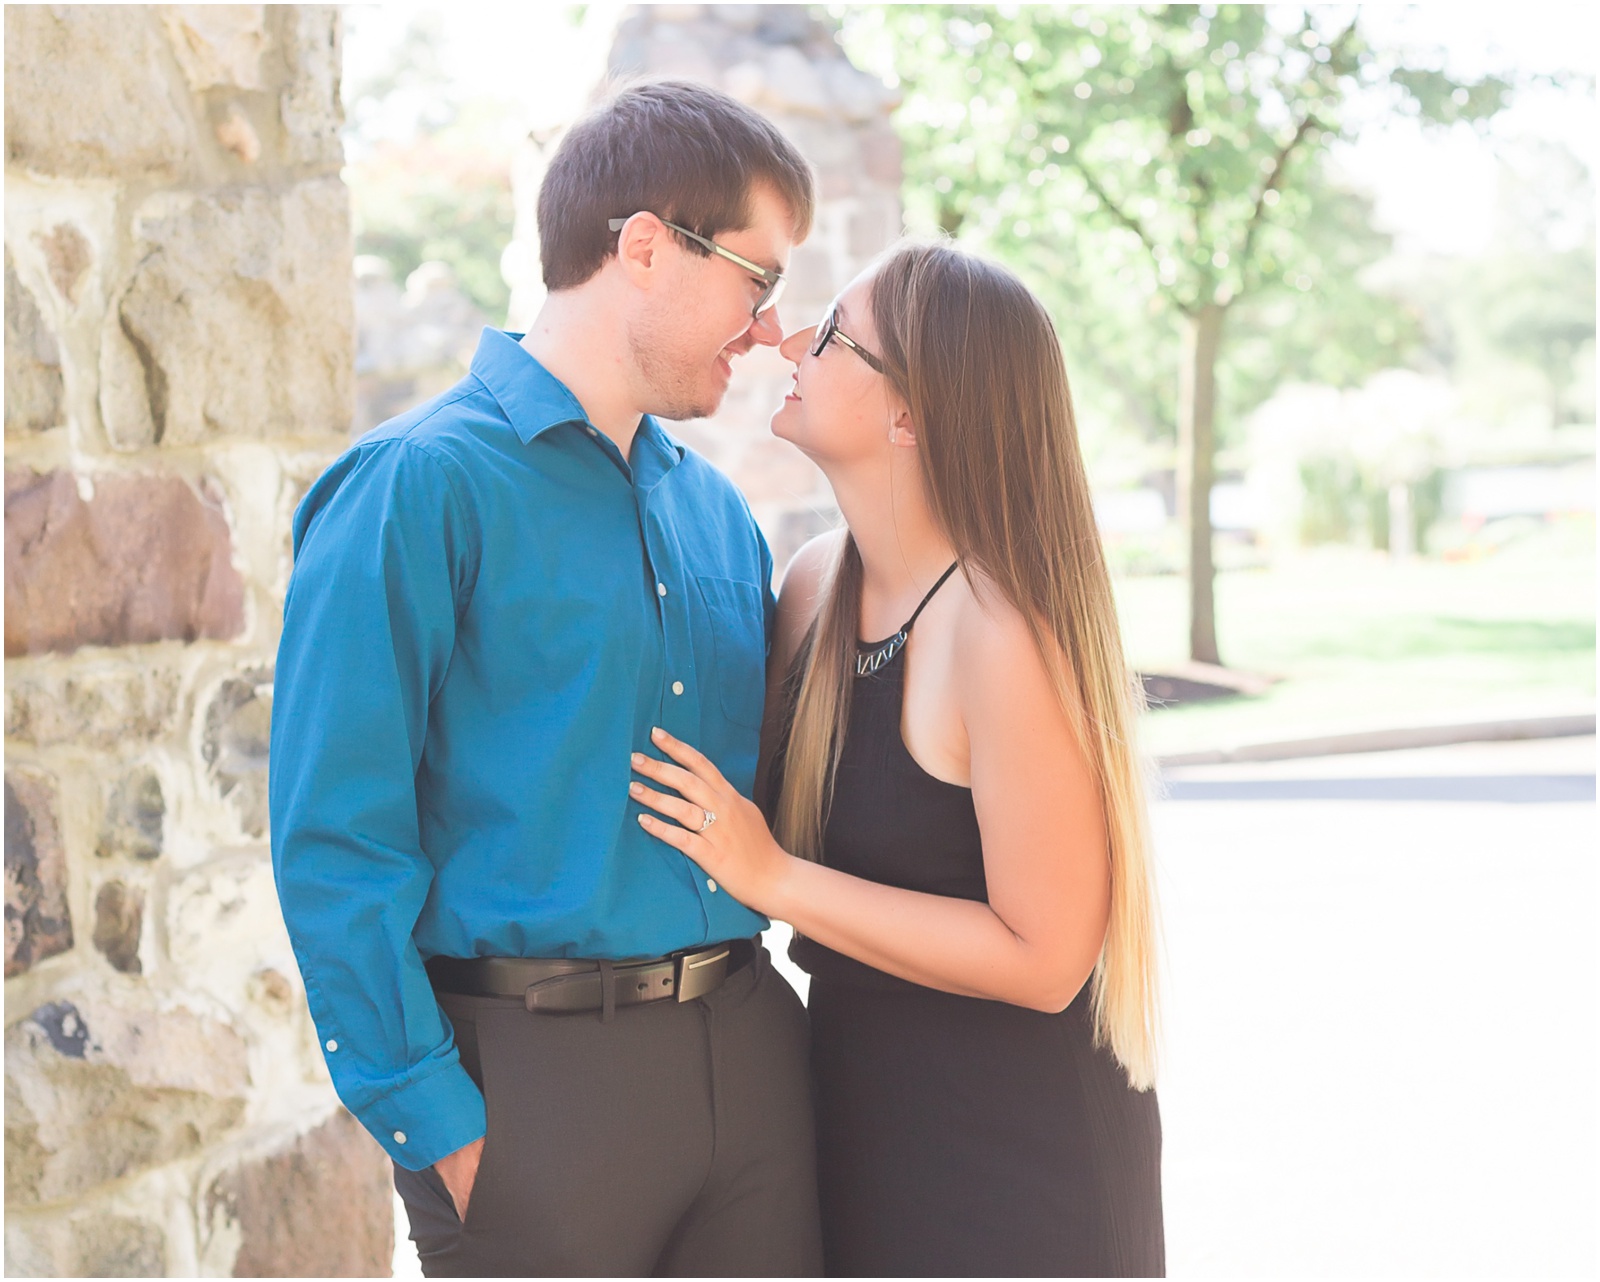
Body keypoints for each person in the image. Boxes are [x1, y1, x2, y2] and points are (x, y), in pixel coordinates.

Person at [269, 80, 824, 1277]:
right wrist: (439, 1125)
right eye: (757, 279)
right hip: (528, 1088)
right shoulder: (414, 487)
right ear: (642, 245)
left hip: (748, 1057)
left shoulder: (719, 515)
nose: (770, 329)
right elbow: (334, 836)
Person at [630, 240, 1166, 1277]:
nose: (787, 339)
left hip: (1019, 1156)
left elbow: (1047, 959)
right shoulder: (811, 586)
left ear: (909, 412)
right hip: (851, 1119)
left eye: (831, 335)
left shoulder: (998, 630)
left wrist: (774, 876)